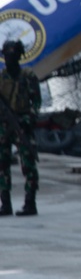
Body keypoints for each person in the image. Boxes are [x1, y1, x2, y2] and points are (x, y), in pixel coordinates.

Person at [0, 39, 41, 216]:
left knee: (29, 163)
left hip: (22, 124)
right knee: (2, 164)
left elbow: (37, 101)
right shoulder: (1, 78)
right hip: (3, 125)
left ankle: (30, 202)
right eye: (8, 55)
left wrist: (30, 117)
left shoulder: (28, 77)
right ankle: (5, 203)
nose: (10, 58)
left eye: (14, 55)